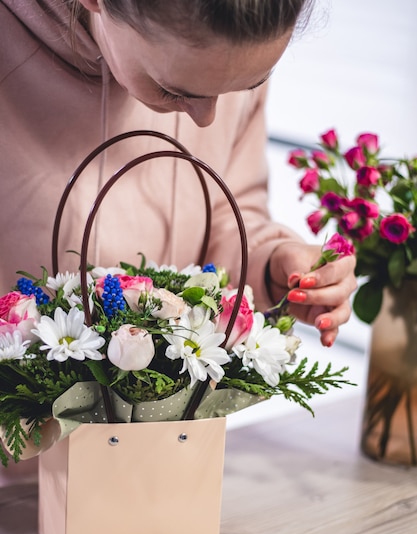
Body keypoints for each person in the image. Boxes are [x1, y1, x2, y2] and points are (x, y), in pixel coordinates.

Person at [0, 0, 357, 487]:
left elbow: (232, 211)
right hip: (15, 484)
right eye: (173, 89)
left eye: (245, 86)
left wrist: (274, 261)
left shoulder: (226, 47)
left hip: (154, 481)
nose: (206, 118)